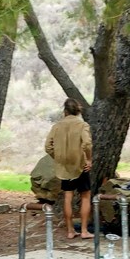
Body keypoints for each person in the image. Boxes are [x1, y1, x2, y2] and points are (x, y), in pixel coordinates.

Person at [44, 98, 94, 239]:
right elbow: (88, 144)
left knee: (68, 196)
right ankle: (84, 231)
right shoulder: (82, 125)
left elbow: (48, 146)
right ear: (78, 111)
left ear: (65, 111)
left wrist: (59, 157)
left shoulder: (57, 126)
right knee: (85, 196)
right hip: (80, 164)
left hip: (65, 167)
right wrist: (88, 159)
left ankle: (70, 231)